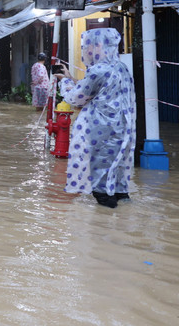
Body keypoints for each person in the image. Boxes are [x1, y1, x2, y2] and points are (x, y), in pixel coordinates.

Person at [55, 29, 136, 208]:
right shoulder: (121, 68)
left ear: (99, 46)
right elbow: (98, 90)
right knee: (118, 181)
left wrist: (65, 82)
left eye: (89, 45)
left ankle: (106, 224)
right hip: (122, 131)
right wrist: (72, 78)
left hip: (101, 133)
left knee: (101, 184)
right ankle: (125, 223)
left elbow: (76, 98)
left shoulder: (98, 70)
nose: (87, 50)